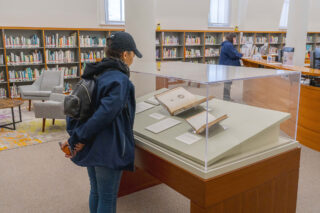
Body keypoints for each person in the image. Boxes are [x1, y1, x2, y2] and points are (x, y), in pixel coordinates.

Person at [61, 31, 142, 213]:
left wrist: (79, 138)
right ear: (124, 54)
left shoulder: (95, 72)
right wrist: (76, 139)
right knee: (107, 197)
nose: (133, 59)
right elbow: (104, 115)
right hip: (108, 147)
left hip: (89, 142)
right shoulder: (120, 80)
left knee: (96, 191)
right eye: (133, 54)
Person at [219, 33, 243, 101]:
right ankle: (226, 98)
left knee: (228, 82)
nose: (235, 40)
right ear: (231, 38)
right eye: (235, 38)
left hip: (227, 65)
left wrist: (238, 54)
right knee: (228, 82)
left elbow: (234, 52)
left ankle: (226, 97)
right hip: (228, 66)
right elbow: (233, 55)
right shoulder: (228, 45)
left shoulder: (227, 44)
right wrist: (241, 55)